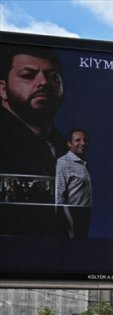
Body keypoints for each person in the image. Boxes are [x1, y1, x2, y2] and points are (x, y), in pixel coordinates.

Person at [0, 44, 67, 237]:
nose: (44, 82)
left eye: (53, 77)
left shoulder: (64, 148)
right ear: (3, 90)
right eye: (29, 75)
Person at [55, 128, 92, 239]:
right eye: (78, 140)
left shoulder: (83, 163)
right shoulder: (63, 162)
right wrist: (61, 219)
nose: (83, 143)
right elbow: (59, 193)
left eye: (85, 140)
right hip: (72, 213)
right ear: (69, 144)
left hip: (85, 213)